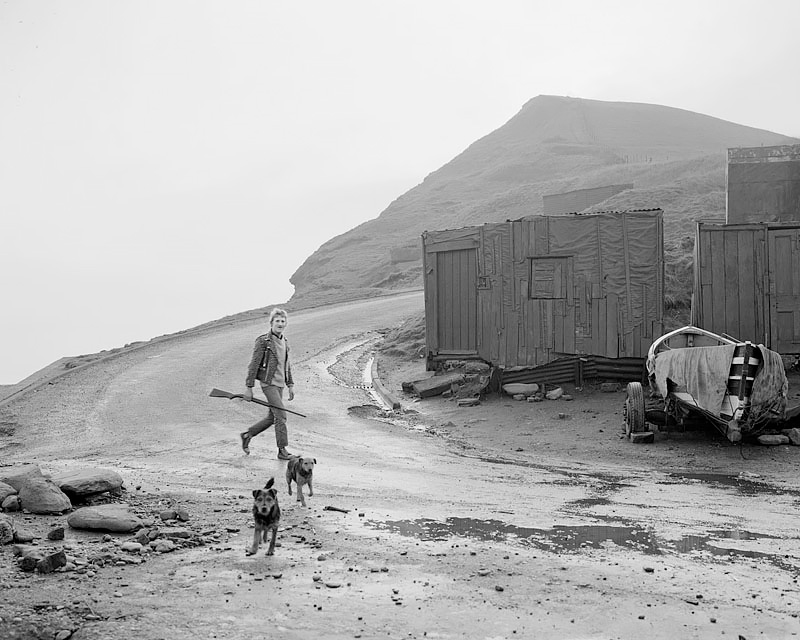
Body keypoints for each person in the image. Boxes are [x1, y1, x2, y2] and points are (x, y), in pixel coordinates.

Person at [240, 307, 296, 460]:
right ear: (271, 323)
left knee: (272, 417)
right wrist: (249, 388)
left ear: (286, 324)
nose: (280, 323)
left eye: (282, 321)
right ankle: (282, 451)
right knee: (281, 416)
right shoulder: (263, 341)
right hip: (268, 384)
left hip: (280, 385)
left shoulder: (284, 341)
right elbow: (253, 364)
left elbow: (286, 365)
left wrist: (290, 384)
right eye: (277, 321)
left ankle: (248, 434)